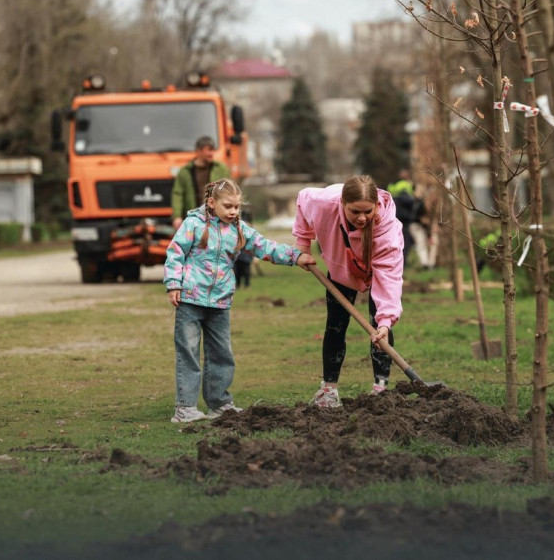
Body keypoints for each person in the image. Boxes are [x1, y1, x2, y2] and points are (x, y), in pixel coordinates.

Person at [164, 179, 316, 423]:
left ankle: (220, 404)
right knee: (189, 353)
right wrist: (174, 284)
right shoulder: (192, 224)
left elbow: (264, 246)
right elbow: (175, 253)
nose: (234, 211)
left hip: (220, 302)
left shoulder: (239, 229)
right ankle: (185, 408)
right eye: (228, 206)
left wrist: (296, 257)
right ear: (212, 203)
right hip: (190, 300)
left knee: (222, 353)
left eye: (237, 207)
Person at [293, 175, 405, 407]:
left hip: (375, 271)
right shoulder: (323, 202)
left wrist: (385, 321)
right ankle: (328, 390)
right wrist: (303, 245)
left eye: (368, 211)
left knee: (380, 327)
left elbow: (389, 278)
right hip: (341, 265)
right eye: (355, 212)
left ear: (377, 205)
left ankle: (380, 390)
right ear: (342, 203)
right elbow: (303, 200)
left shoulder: (388, 232)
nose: (362, 218)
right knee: (335, 324)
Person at [171, 136, 230, 230]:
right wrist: (177, 216)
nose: (211, 154)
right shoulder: (185, 171)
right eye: (208, 150)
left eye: (212, 150)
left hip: (216, 220)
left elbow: (229, 190)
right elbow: (178, 195)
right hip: (193, 220)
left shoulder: (220, 169)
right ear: (198, 151)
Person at [387, 170, 416, 269]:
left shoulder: (393, 187)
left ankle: (397, 262)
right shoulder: (406, 186)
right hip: (405, 220)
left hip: (395, 219)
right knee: (405, 242)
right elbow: (411, 201)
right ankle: (402, 263)